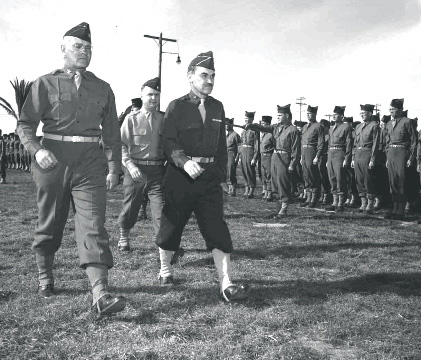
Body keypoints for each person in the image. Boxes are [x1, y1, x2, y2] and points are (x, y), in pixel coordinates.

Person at [17, 22, 126, 315]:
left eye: (88, 47)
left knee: (93, 224)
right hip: (53, 159)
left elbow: (113, 134)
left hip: (91, 161)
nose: (85, 51)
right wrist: (37, 151)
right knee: (50, 221)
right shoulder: (45, 83)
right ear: (63, 49)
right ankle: (45, 275)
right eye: (78, 46)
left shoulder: (103, 88)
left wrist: (114, 167)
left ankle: (100, 292)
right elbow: (25, 123)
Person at [156, 51, 249, 302]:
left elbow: (221, 146)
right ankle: (165, 269)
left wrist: (220, 173)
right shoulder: (177, 106)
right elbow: (168, 141)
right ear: (190, 77)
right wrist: (184, 162)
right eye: (204, 75)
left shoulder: (217, 106)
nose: (209, 80)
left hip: (208, 179)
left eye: (213, 76)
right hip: (180, 176)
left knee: (216, 227)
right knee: (172, 225)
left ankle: (226, 283)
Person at [117, 77, 165, 252]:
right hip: (136, 170)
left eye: (157, 95)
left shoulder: (163, 119)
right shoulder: (131, 119)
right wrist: (130, 166)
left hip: (157, 171)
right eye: (150, 94)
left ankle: (163, 245)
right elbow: (120, 145)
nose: (153, 98)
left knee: (160, 210)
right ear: (142, 96)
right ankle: (124, 236)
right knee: (130, 207)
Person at [246, 104, 301, 217]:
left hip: (285, 158)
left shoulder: (293, 130)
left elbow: (296, 149)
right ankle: (281, 203)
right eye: (277, 115)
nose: (278, 117)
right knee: (275, 181)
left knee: (283, 181)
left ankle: (284, 208)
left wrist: (292, 163)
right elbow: (263, 128)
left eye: (280, 115)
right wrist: (250, 126)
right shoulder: (275, 127)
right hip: (275, 158)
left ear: (287, 115)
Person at [384, 99, 417, 220]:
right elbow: (387, 142)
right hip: (391, 153)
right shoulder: (388, 124)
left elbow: (414, 141)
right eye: (390, 109)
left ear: (400, 110)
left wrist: (411, 158)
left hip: (402, 153)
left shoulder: (407, 122)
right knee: (392, 182)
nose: (391, 111)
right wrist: (388, 157)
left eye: (393, 109)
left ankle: (401, 211)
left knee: (401, 181)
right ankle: (395, 209)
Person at [351, 104, 380, 214]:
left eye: (364, 113)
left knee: (368, 180)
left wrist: (372, 159)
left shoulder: (374, 126)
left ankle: (370, 204)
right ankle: (363, 203)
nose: (362, 115)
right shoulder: (358, 127)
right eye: (361, 113)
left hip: (367, 154)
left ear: (370, 113)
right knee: (359, 180)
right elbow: (355, 144)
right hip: (358, 154)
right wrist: (353, 157)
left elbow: (375, 144)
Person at [325, 106, 352, 212]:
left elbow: (349, 144)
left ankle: (341, 202)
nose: (334, 116)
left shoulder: (346, 127)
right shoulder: (331, 128)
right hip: (331, 153)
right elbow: (329, 144)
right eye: (333, 114)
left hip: (340, 153)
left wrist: (347, 158)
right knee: (332, 178)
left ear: (342, 116)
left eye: (336, 115)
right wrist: (328, 158)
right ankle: (334, 201)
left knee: (340, 177)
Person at [300, 105, 323, 208]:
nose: (309, 115)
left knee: (312, 174)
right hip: (304, 151)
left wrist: (317, 156)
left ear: (315, 114)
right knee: (306, 174)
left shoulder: (318, 126)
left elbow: (320, 142)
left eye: (311, 113)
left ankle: (314, 199)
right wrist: (301, 156)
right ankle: (308, 198)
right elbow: (302, 141)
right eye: (307, 113)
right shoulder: (305, 127)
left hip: (312, 150)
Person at [240, 111, 259, 198]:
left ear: (252, 120)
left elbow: (257, 144)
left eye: (248, 119)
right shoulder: (243, 131)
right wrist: (240, 155)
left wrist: (254, 158)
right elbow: (241, 144)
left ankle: (251, 189)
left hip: (250, 151)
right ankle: (246, 188)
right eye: (245, 119)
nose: (246, 121)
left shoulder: (255, 130)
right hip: (243, 151)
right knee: (244, 170)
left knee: (250, 171)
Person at [259, 116, 275, 201]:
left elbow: (275, 146)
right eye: (261, 123)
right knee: (263, 174)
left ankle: (270, 193)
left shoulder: (271, 134)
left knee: (269, 174)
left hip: (269, 156)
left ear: (268, 124)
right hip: (262, 155)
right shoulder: (262, 134)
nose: (262, 125)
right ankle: (265, 192)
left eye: (264, 123)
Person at [225, 117, 241, 196]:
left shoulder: (235, 135)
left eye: (228, 125)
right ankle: (229, 188)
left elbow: (239, 147)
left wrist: (237, 157)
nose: (226, 126)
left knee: (231, 171)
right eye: (225, 125)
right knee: (227, 171)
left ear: (231, 125)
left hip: (232, 154)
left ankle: (233, 189)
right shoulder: (226, 135)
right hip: (226, 154)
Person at [318, 119, 331, 204]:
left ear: (327, 127)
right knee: (320, 177)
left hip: (326, 157)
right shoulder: (320, 135)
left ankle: (326, 195)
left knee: (325, 177)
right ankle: (321, 194)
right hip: (319, 157)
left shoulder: (329, 136)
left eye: (323, 127)